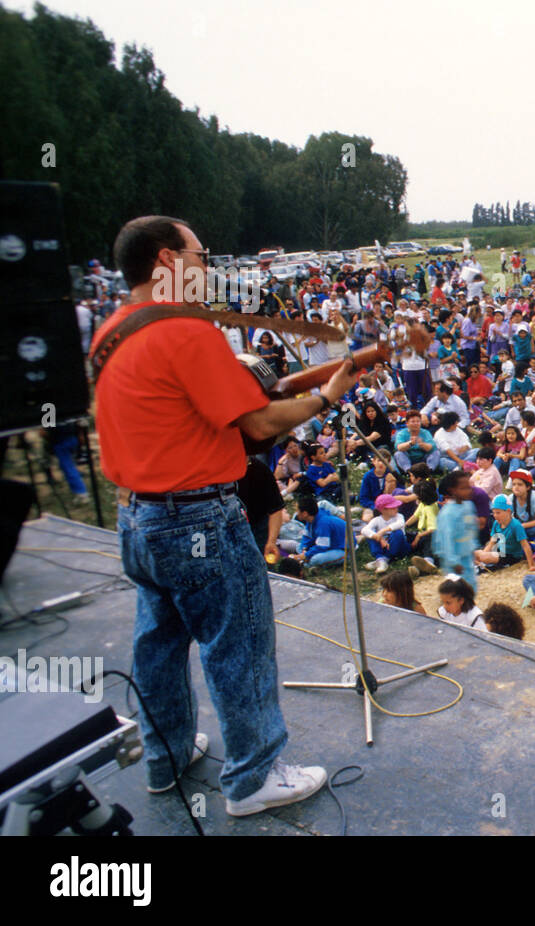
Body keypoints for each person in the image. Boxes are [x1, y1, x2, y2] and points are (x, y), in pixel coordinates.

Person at [92, 215, 361, 815]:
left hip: (137, 518)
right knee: (236, 642)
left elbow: (190, 414)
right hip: (196, 519)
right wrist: (325, 397)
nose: (207, 267)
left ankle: (166, 757)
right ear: (167, 261)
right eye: (200, 254)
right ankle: (253, 776)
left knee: (157, 642)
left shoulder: (111, 332)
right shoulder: (186, 330)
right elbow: (260, 424)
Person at [475, 493, 535, 572]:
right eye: (493, 513)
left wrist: (531, 565)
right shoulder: (496, 523)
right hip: (500, 552)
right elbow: (492, 543)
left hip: (512, 556)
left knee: (484, 557)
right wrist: (483, 554)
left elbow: (525, 546)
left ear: (508, 511)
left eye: (498, 513)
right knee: (475, 553)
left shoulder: (516, 525)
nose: (495, 515)